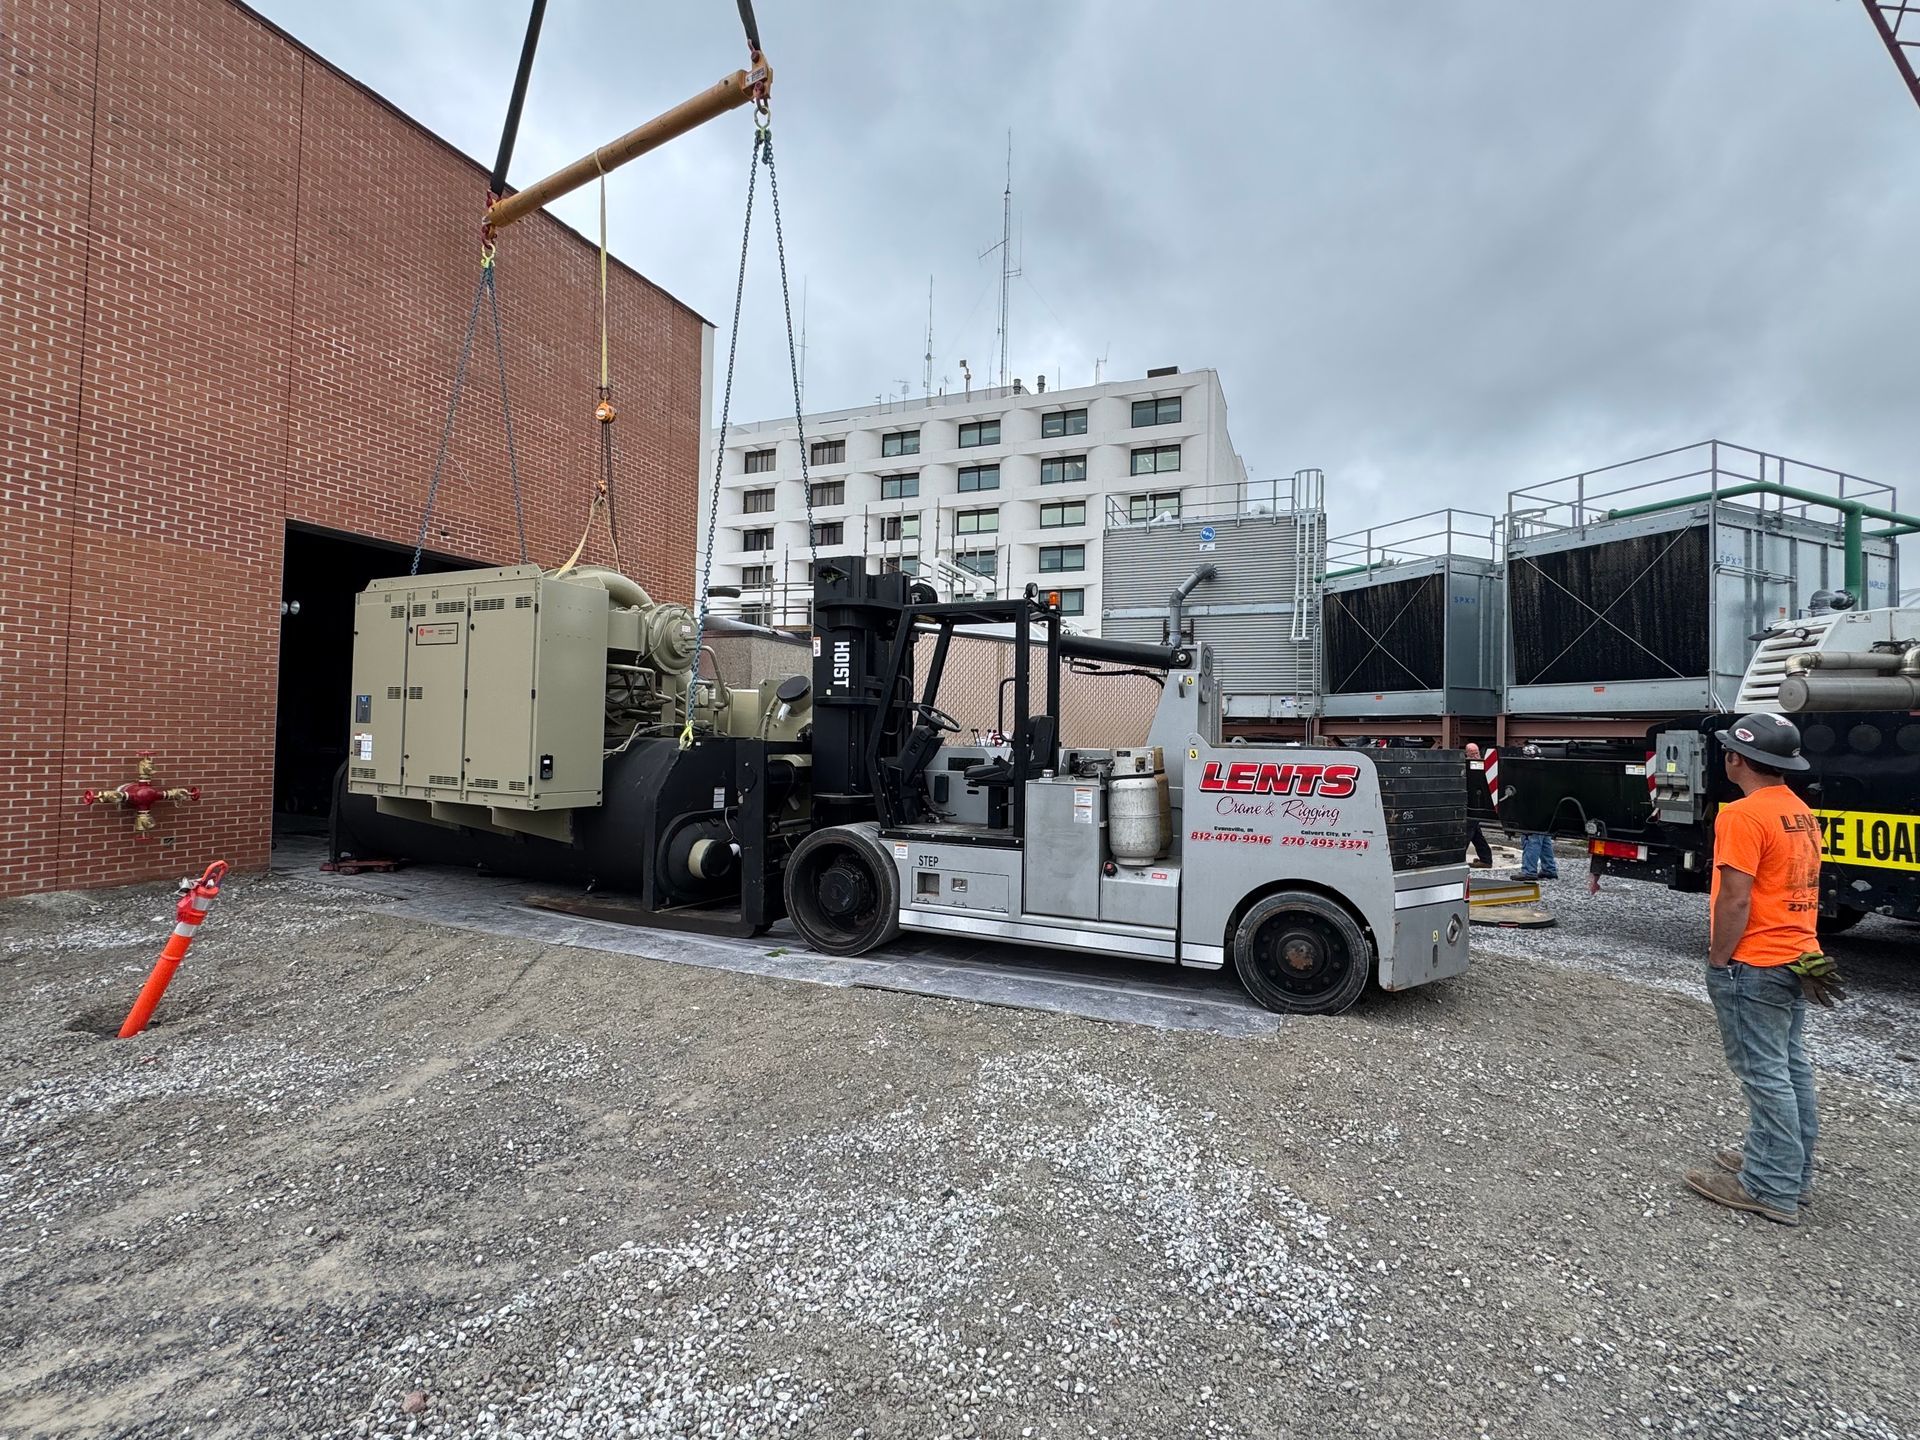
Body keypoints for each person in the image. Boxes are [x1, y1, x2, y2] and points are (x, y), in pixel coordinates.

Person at [1685, 712, 1824, 1226]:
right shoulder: (1799, 811)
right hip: (1799, 954)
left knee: (1764, 1074)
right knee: (1790, 1068)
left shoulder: (1742, 815)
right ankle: (1789, 1168)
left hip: (1756, 959)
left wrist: (1720, 958)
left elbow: (1736, 898)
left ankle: (1770, 1186)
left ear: (1736, 758)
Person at [1463, 744, 1493, 868]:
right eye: (1472, 754)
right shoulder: (1476, 767)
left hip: (1475, 805)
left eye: (1476, 753)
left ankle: (1458, 859)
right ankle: (1486, 859)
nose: (1475, 756)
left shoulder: (1478, 767)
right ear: (1467, 754)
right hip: (1473, 804)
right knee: (1476, 834)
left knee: (1468, 832)